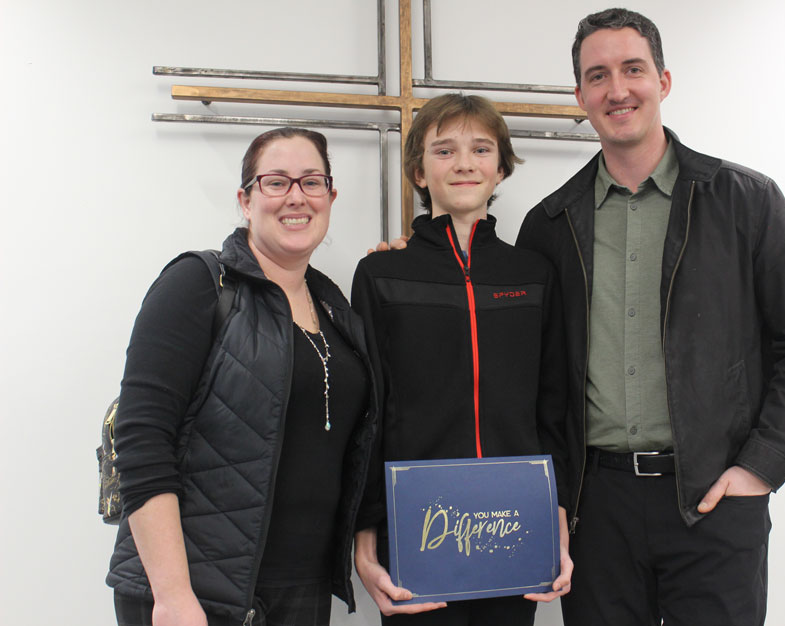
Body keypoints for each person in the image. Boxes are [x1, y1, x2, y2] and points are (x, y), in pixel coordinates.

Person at [514, 9, 785, 626]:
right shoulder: (549, 225)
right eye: (598, 75)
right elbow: (532, 372)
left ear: (663, 81)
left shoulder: (746, 200)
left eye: (633, 69)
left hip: (714, 501)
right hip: (596, 509)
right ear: (580, 95)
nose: (617, 89)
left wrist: (760, 467)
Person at [106, 127, 378, 626]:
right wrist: (173, 595)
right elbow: (141, 439)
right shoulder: (199, 283)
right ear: (245, 200)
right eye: (276, 182)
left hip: (301, 589)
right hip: (200, 594)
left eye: (311, 181)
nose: (296, 196)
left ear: (330, 197)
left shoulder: (334, 307)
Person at [351, 93, 573, 626]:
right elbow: (368, 414)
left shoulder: (534, 275)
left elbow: (555, 407)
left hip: (513, 524)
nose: (465, 163)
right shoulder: (381, 274)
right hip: (418, 528)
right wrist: (365, 542)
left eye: (481, 149)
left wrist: (559, 526)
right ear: (419, 172)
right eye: (445, 150)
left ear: (501, 169)